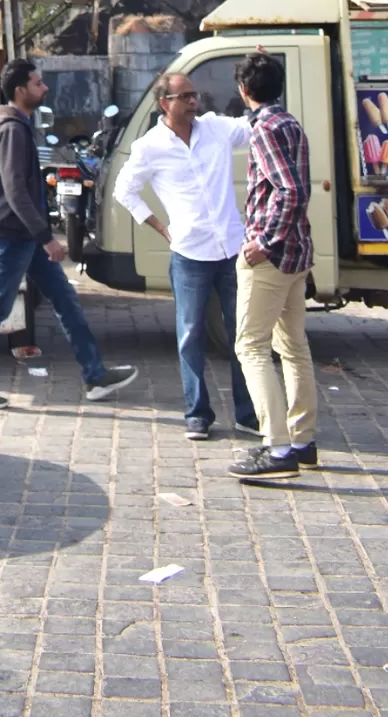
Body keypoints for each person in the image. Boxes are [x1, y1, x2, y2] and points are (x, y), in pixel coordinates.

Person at [0, 58, 137, 408]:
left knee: (66, 301)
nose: (45, 88)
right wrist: (47, 237)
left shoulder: (17, 124)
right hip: (16, 235)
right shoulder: (9, 129)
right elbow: (15, 192)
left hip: (25, 236)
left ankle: (95, 376)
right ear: (21, 89)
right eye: (38, 83)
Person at [115, 72, 261, 441]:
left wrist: (256, 82)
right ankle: (197, 413)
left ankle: (247, 413)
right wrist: (160, 227)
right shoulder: (150, 147)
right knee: (190, 335)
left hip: (231, 247)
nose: (194, 102)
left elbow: (253, 125)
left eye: (196, 95)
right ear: (165, 102)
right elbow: (125, 190)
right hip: (190, 253)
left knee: (241, 333)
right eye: (185, 97)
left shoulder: (215, 128)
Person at [228, 51, 318, 484]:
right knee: (293, 347)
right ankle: (303, 441)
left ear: (243, 91)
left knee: (251, 347)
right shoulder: (291, 123)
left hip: (273, 256)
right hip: (298, 254)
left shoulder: (262, 129)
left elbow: (289, 191)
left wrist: (263, 242)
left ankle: (277, 446)